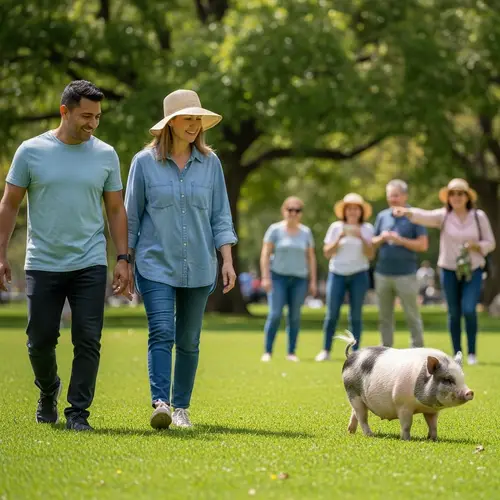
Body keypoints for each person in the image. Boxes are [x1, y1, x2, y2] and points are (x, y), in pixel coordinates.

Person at [0, 80, 130, 431]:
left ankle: (78, 414)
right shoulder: (31, 151)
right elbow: (10, 204)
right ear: (65, 111)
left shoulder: (106, 154)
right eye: (86, 116)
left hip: (90, 261)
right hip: (42, 262)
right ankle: (48, 388)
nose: (93, 123)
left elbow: (116, 210)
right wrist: (0, 254)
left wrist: (123, 258)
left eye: (98, 117)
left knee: (88, 338)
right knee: (39, 339)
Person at [125, 89, 237, 429]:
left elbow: (221, 215)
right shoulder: (143, 163)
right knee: (161, 331)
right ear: (170, 123)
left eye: (197, 119)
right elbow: (131, 217)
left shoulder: (211, 163)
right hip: (155, 263)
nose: (194, 125)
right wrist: (123, 261)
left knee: (189, 340)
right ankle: (161, 402)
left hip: (201, 265)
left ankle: (181, 409)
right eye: (187, 118)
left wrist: (228, 259)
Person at [393, 178, 496, 365]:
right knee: (454, 312)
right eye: (452, 194)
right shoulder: (443, 216)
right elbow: (424, 215)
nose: (456, 197)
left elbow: (491, 243)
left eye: (460, 193)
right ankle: (457, 353)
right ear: (448, 198)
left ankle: (472, 353)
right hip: (449, 270)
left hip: (473, 269)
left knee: (469, 309)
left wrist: (477, 245)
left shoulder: (478, 217)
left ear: (467, 197)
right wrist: (407, 211)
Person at [315, 193, 374, 362]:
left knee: (355, 315)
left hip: (359, 275)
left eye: (356, 208)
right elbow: (327, 253)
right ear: (344, 211)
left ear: (360, 211)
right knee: (331, 313)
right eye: (349, 208)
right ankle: (325, 350)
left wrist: (361, 237)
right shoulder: (335, 227)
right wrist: (339, 238)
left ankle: (356, 353)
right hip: (337, 274)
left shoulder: (367, 228)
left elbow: (370, 254)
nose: (353, 211)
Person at [259, 196, 317, 362]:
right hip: (278, 277)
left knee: (294, 316)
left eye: (297, 210)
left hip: (299, 279)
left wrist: (312, 281)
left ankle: (291, 352)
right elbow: (265, 254)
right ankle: (268, 351)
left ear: (301, 213)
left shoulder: (306, 232)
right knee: (275, 314)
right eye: (290, 209)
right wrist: (265, 277)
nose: (293, 213)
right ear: (284, 211)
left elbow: (311, 258)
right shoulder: (275, 230)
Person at [372, 179, 428, 348]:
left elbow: (423, 245)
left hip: (406, 274)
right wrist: (381, 238)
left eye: (396, 195)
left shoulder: (414, 215)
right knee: (384, 317)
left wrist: (400, 240)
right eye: (390, 196)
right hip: (382, 273)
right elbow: (372, 242)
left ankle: (417, 351)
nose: (392, 199)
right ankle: (385, 352)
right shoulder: (382, 216)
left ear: (404, 196)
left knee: (412, 315)